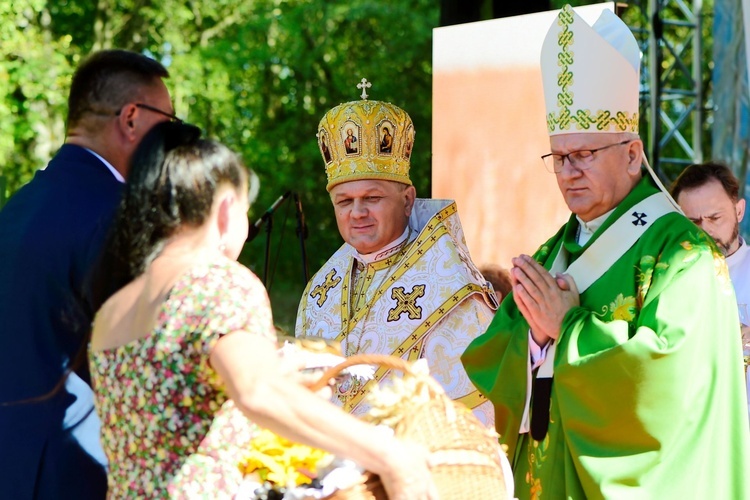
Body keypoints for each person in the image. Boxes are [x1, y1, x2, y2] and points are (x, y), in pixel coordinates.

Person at [462, 5, 750, 498]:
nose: (569, 171)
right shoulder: (556, 248)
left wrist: (567, 329)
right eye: (559, 156)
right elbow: (494, 359)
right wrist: (530, 341)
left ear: (633, 153)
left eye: (585, 155)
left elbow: (671, 383)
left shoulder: (683, 252)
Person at [88, 121, 437, 499]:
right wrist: (391, 457)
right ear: (226, 210)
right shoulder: (219, 282)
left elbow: (173, 407)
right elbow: (258, 394)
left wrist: (276, 380)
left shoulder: (113, 309)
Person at [0, 49, 174, 499]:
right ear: (131, 118)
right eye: (167, 123)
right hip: (74, 464)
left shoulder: (18, 205)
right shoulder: (119, 215)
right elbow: (145, 358)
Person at [297, 92, 497, 428]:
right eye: (344, 201)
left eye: (372, 198)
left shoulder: (451, 287)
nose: (357, 213)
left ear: (407, 200)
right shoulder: (321, 289)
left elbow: (471, 411)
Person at [671, 161, 750, 418]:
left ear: (739, 211)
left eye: (715, 217)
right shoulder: (664, 282)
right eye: (693, 221)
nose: (705, 231)